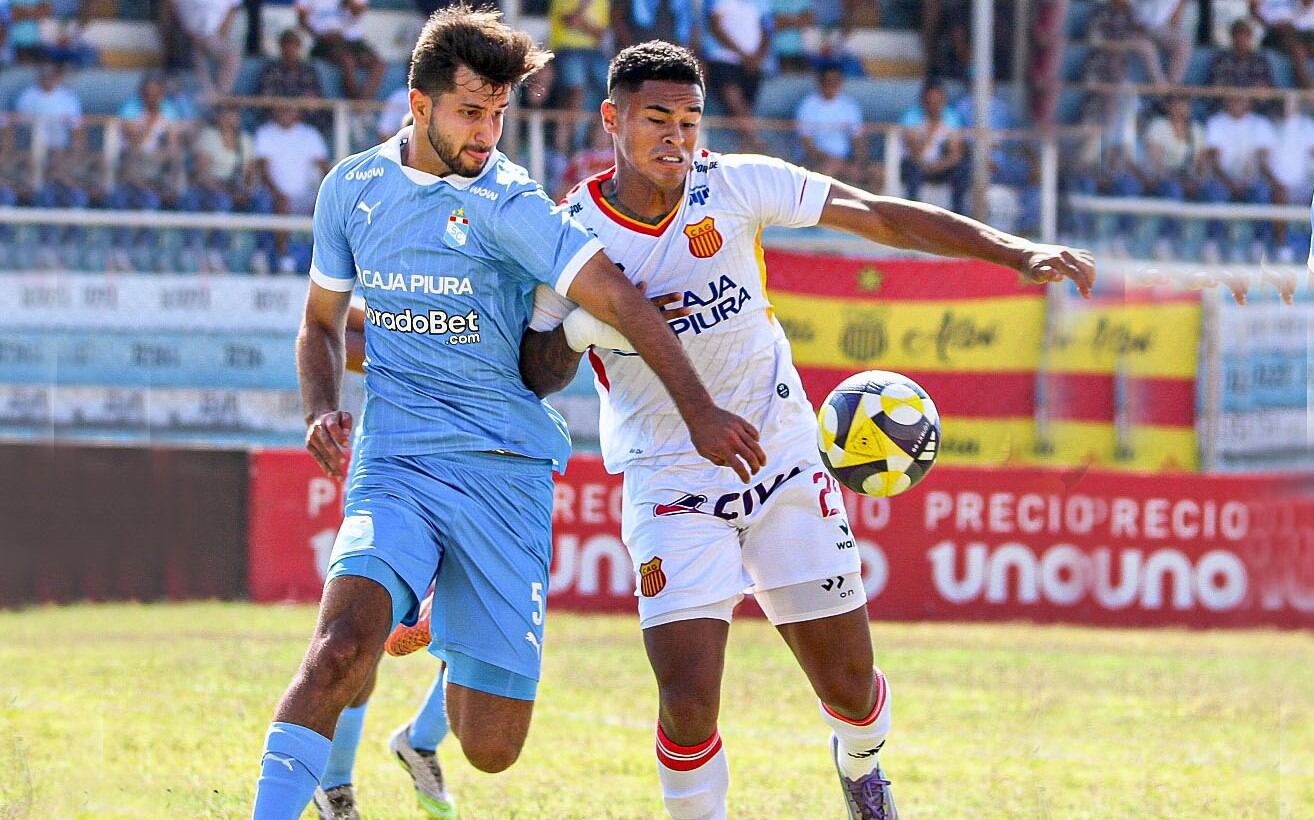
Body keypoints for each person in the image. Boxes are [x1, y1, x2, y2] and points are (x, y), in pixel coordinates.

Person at [518, 41, 1094, 820]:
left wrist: (1012, 250)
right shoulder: (569, 230)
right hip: (669, 478)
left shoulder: (738, 183)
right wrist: (586, 325)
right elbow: (538, 369)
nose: (677, 139)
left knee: (852, 691)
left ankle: (861, 768)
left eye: (690, 120)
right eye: (657, 119)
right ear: (612, 120)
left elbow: (877, 214)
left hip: (783, 460)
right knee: (688, 701)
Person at [249, 9, 764, 819]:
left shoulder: (511, 204)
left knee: (491, 747)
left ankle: (433, 607)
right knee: (340, 649)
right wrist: (321, 408)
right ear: (417, 107)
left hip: (503, 477)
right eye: (469, 112)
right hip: (398, 465)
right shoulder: (351, 190)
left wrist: (698, 410)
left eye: (499, 114)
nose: (488, 132)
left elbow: (620, 300)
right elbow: (318, 323)